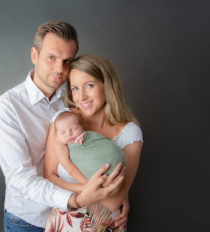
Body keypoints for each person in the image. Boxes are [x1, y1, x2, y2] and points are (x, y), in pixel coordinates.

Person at [0, 21, 126, 232]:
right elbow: (20, 178)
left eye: (67, 61)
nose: (60, 69)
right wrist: (77, 198)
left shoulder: (75, 99)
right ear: (34, 56)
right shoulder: (8, 107)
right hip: (28, 222)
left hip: (75, 220)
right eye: (51, 58)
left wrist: (118, 194)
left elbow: (95, 149)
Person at [44, 54, 143, 231]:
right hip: (63, 224)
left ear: (107, 85)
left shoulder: (130, 133)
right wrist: (88, 189)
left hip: (103, 225)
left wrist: (69, 166)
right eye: (74, 88)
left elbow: (112, 202)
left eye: (89, 85)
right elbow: (49, 177)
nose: (81, 96)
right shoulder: (64, 121)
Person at [53, 110, 125, 179]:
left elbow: (101, 141)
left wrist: (84, 137)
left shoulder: (86, 136)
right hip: (90, 182)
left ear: (82, 127)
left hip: (113, 162)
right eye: (63, 132)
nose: (69, 134)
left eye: (74, 129)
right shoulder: (61, 146)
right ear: (57, 136)